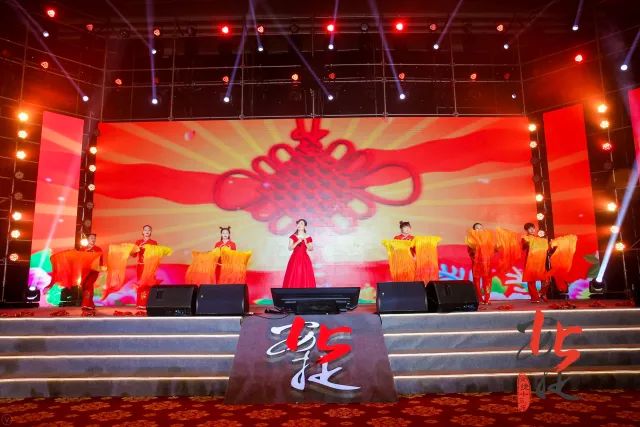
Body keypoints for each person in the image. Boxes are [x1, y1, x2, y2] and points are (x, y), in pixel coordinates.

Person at [521, 223, 556, 303]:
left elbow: (548, 250)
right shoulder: (526, 238)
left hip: (540, 263)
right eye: (529, 229)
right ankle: (534, 298)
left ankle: (541, 293)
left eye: (533, 228)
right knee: (531, 281)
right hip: (530, 262)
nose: (532, 230)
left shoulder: (540, 239)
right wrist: (527, 243)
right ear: (526, 230)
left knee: (547, 280)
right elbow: (523, 247)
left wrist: (552, 246)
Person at [466, 223, 495, 305]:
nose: (479, 230)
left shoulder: (487, 239)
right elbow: (470, 252)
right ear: (474, 230)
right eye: (477, 228)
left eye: (481, 228)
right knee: (476, 282)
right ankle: (480, 299)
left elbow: (492, 250)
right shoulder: (471, 240)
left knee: (487, 281)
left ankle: (487, 298)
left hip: (487, 264)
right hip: (476, 264)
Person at [282, 219, 316, 288]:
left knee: (305, 274)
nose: (299, 225)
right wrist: (297, 242)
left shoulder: (308, 237)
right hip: (295, 258)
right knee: (294, 274)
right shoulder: (293, 236)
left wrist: (306, 243)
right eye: (298, 224)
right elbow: (290, 248)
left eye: (301, 224)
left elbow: (311, 249)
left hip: (305, 258)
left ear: (305, 226)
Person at [133, 225, 158, 309]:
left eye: (149, 230)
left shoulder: (154, 243)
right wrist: (137, 249)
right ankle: (140, 303)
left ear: (151, 232)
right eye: (145, 230)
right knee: (141, 284)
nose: (147, 231)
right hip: (140, 265)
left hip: (150, 266)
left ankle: (148, 303)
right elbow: (133, 255)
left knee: (149, 284)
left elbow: (156, 255)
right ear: (142, 232)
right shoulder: (138, 242)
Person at [80, 233, 103, 310]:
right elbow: (80, 260)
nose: (93, 240)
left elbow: (101, 260)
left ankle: (86, 304)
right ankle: (90, 304)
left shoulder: (98, 249)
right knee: (84, 286)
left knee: (89, 284)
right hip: (85, 271)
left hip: (94, 271)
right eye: (91, 238)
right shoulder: (83, 249)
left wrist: (100, 267)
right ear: (87, 239)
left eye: (94, 238)